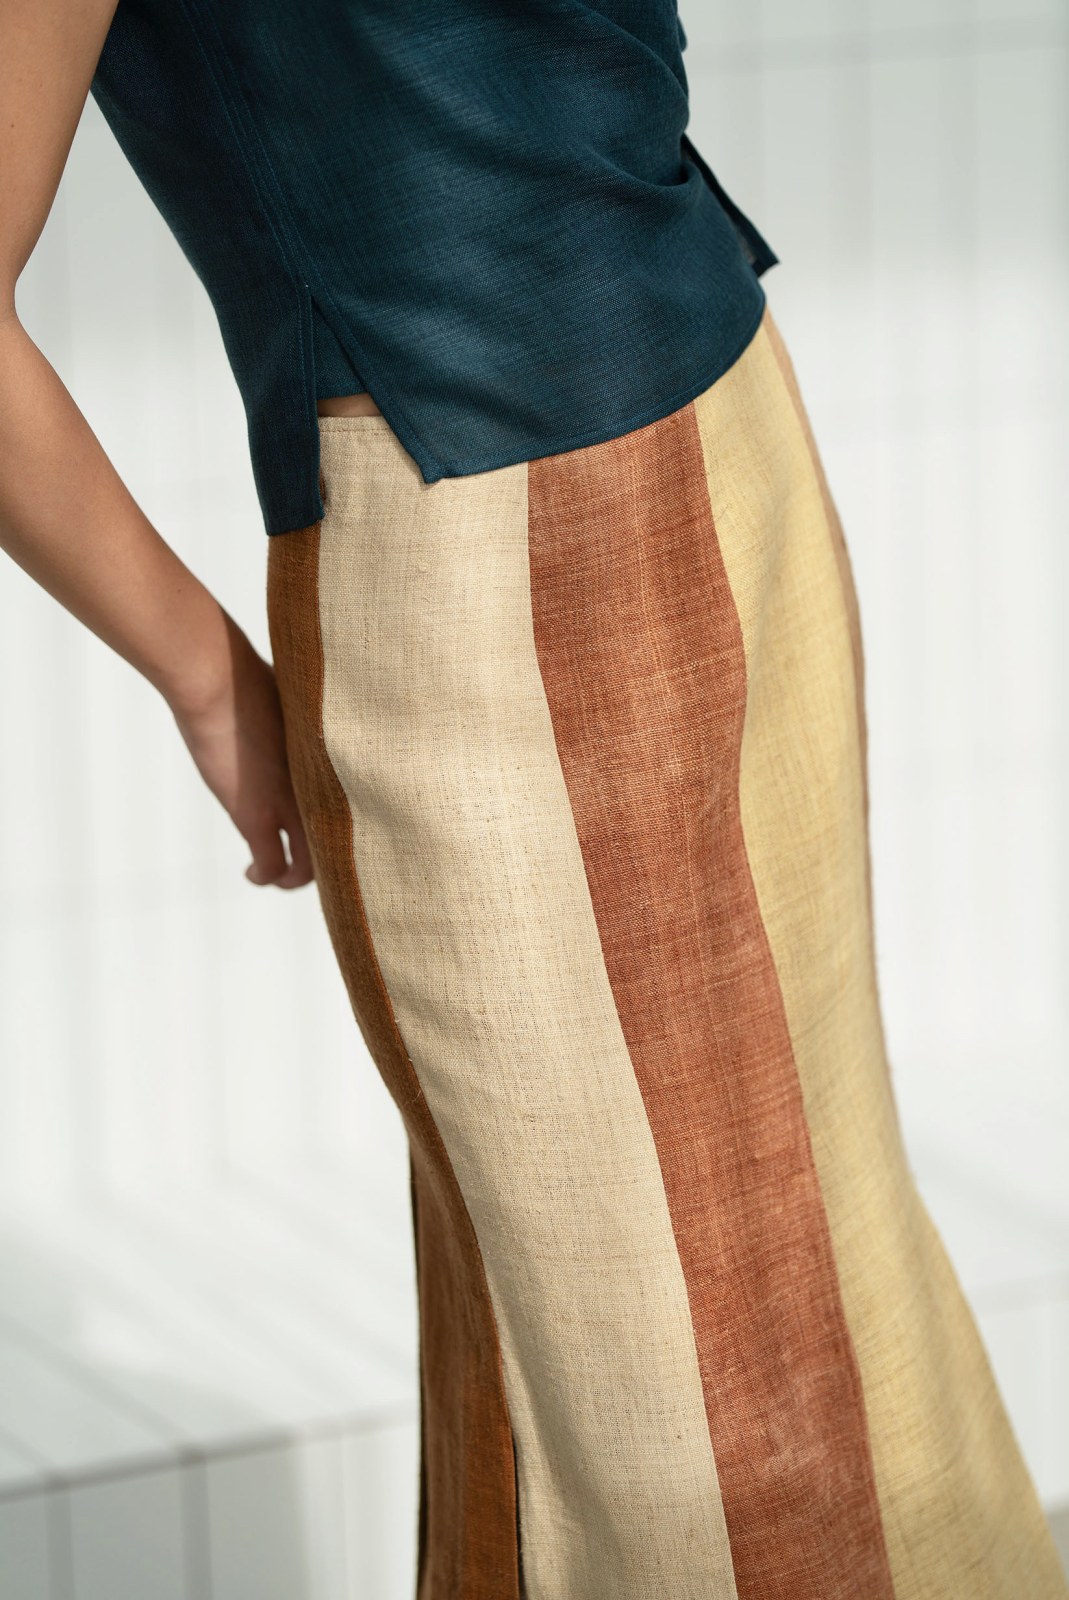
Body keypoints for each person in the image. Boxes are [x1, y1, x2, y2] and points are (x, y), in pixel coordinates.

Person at [2, 3, 1066, 1597]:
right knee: (664, 1405)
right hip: (471, 565)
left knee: (816, 1258)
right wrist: (208, 681)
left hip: (727, 452)